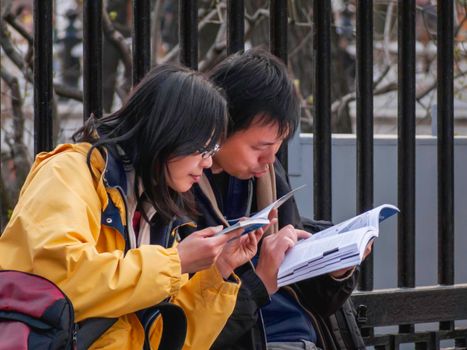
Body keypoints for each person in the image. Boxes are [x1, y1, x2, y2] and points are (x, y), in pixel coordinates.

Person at [0, 64, 264, 349]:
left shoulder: (153, 205)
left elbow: (170, 339)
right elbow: (60, 279)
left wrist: (219, 269)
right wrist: (176, 262)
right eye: (205, 148)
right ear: (169, 132)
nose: (209, 162)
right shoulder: (69, 173)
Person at [191, 48, 369, 350]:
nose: (269, 160)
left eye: (278, 146)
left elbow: (309, 295)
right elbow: (192, 323)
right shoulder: (185, 183)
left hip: (302, 335)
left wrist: (338, 270)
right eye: (259, 147)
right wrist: (260, 279)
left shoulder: (266, 176)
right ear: (220, 123)